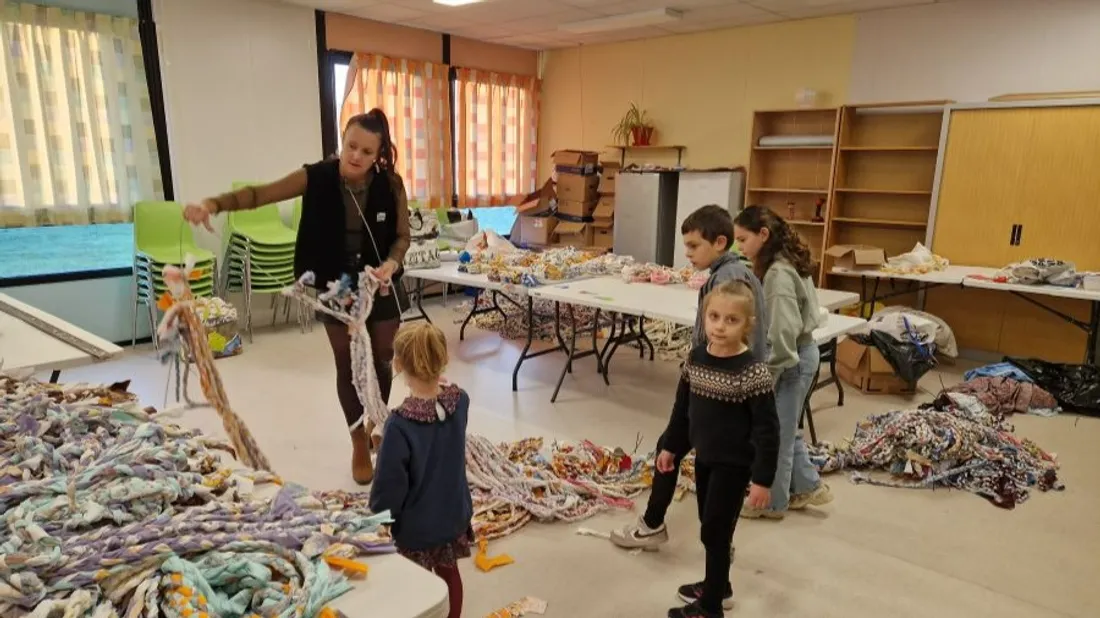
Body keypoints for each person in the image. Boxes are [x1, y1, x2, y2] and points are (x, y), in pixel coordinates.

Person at [182, 109, 411, 485]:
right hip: (335, 284)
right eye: (351, 146)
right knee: (347, 368)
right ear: (342, 139)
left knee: (383, 357)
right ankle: (358, 441)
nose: (356, 156)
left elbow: (402, 236)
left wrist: (390, 263)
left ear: (378, 153)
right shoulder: (315, 176)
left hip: (379, 283)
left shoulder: (391, 184)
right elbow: (260, 194)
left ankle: (379, 422)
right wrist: (213, 204)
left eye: (367, 152)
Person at [611, 204, 768, 552]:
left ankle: (659, 527)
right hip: (716, 384)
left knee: (675, 449)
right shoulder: (734, 273)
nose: (687, 253)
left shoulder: (729, 281)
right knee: (676, 449)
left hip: (719, 389)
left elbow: (733, 343)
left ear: (720, 242)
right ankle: (684, 532)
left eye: (694, 245)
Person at [658, 281, 780, 618]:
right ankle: (719, 585)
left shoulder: (751, 371)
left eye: (731, 320)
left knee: (714, 528)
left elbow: (767, 430)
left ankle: (711, 607)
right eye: (714, 316)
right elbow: (683, 412)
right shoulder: (696, 358)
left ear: (747, 324)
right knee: (712, 527)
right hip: (705, 460)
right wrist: (671, 447)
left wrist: (762, 479)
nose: (720, 326)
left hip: (734, 466)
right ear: (704, 316)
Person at [733, 205, 834, 519]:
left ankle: (772, 504)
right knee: (786, 428)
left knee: (774, 437)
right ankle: (807, 486)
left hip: (791, 361)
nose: (739, 247)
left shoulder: (777, 273)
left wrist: (767, 378)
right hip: (802, 355)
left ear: (764, 235)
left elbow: (784, 335)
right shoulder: (788, 260)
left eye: (743, 239)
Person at [369, 322, 473, 618]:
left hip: (416, 526)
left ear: (399, 364)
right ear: (444, 358)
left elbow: (390, 485)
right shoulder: (460, 402)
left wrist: (380, 519)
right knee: (449, 573)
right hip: (454, 512)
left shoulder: (400, 425)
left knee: (415, 583)